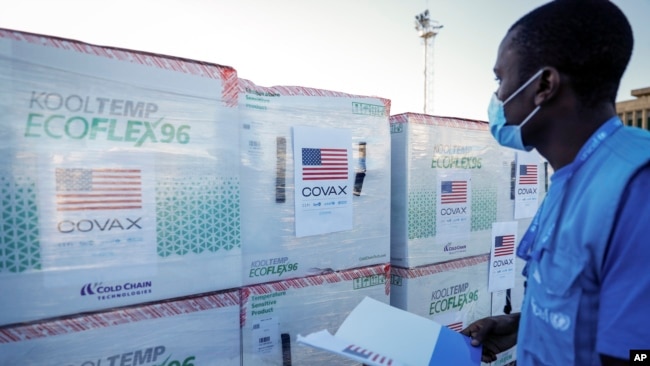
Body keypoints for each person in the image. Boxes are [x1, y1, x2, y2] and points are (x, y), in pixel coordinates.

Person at [460, 0, 650, 365]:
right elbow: (585, 306)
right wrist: (521, 325)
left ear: (544, 85)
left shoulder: (636, 188)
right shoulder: (569, 176)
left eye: (500, 80)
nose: (497, 97)